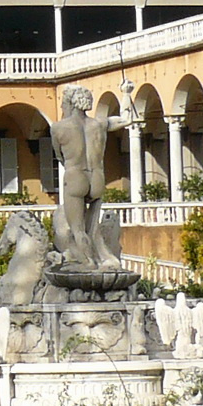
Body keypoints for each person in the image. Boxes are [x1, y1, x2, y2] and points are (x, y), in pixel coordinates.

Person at [48, 84, 129, 268]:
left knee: (77, 229)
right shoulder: (99, 124)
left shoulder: (58, 128)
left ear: (70, 103)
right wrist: (126, 95)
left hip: (75, 176)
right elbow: (125, 120)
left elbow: (59, 155)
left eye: (63, 104)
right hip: (97, 177)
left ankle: (88, 262)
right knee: (93, 228)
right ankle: (102, 259)